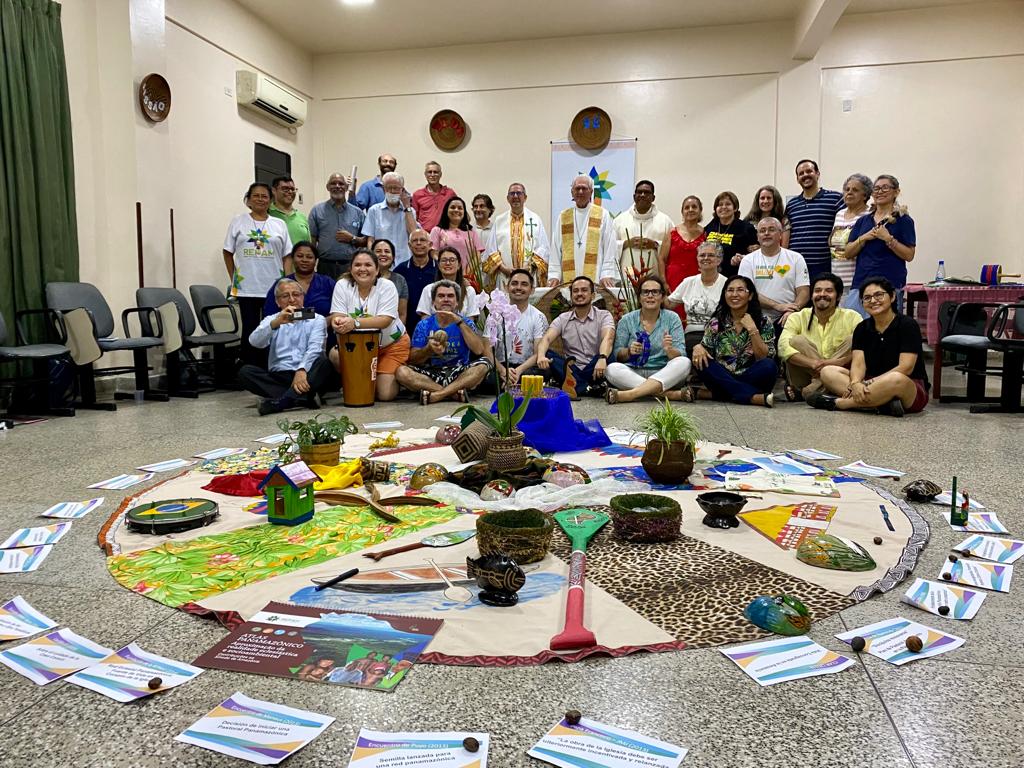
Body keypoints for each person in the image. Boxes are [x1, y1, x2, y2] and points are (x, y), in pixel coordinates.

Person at [808, 277, 929, 416]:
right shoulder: (862, 328)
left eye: (879, 295)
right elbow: (858, 364)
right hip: (867, 383)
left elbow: (905, 368)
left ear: (892, 296)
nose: (873, 300)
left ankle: (841, 403)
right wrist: (855, 383)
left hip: (907, 385)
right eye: (867, 298)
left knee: (896, 378)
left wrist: (867, 384)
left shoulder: (907, 325)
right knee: (827, 371)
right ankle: (882, 404)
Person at [238, 279, 334, 415]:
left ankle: (282, 402)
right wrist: (276, 323)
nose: (292, 300)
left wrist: (301, 370)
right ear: (277, 301)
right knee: (245, 372)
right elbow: (254, 342)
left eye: (296, 294)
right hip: (279, 375)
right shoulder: (271, 320)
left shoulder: (317, 319)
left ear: (303, 297)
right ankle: (304, 398)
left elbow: (315, 349)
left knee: (324, 362)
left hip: (307, 374)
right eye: (285, 296)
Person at [223, 182, 292, 368]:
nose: (260, 199)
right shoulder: (238, 221)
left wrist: (286, 282)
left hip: (273, 287)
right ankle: (250, 369)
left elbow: (287, 255)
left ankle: (272, 367)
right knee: (250, 329)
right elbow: (227, 252)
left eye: (265, 196)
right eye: (256, 196)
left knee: (273, 327)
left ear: (270, 200)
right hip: (247, 287)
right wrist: (234, 279)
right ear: (248, 199)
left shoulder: (279, 224)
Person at [328, 249, 410, 402]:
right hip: (358, 345)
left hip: (391, 345)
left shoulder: (387, 286)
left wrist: (354, 323)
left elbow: (385, 320)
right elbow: (337, 315)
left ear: (377, 269)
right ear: (351, 269)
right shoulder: (342, 285)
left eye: (368, 265)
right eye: (357, 265)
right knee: (334, 355)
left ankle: (387, 376)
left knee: (385, 395)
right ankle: (360, 381)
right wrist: (337, 322)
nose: (362, 269)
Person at [688, 275, 777, 407]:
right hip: (722, 375)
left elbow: (762, 357)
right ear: (724, 295)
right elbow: (706, 351)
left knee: (769, 365)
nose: (734, 294)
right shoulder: (716, 322)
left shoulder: (763, 321)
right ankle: (752, 397)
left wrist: (752, 329)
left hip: (751, 376)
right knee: (701, 361)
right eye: (730, 290)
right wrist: (698, 347)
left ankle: (714, 394)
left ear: (750, 295)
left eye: (740, 290)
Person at [396, 281, 490, 404]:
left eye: (450, 296)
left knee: (484, 365)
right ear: (433, 302)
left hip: (459, 373)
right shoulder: (424, 325)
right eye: (441, 296)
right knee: (401, 372)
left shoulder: (466, 323)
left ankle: (437, 395)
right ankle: (453, 394)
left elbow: (478, 350)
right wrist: (428, 349)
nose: (446, 299)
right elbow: (413, 359)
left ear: (457, 302)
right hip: (431, 375)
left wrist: (459, 322)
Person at [777, 272, 861, 401]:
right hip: (804, 377)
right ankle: (827, 388)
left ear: (838, 296)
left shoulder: (852, 317)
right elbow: (782, 348)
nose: (822, 294)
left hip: (839, 375)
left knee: (854, 340)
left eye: (829, 291)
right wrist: (814, 364)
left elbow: (865, 347)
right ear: (812, 296)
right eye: (817, 291)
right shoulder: (797, 317)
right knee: (797, 341)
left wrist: (838, 362)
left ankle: (808, 392)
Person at [606, 276, 690, 403]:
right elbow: (617, 354)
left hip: (664, 372)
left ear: (662, 297)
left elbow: (681, 353)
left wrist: (670, 350)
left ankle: (631, 394)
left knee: (684, 362)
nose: (650, 296)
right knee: (611, 369)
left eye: (655, 292)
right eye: (645, 292)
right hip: (634, 372)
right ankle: (667, 394)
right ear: (639, 297)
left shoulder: (672, 318)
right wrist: (629, 351)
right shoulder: (627, 320)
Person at [842, 174, 916, 316]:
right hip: (861, 284)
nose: (879, 192)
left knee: (886, 327)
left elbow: (909, 255)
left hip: (889, 285)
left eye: (885, 188)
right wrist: (864, 238)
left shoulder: (904, 220)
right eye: (876, 189)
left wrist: (889, 239)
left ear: (896, 192)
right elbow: (848, 252)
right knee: (854, 325)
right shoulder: (863, 221)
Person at [536, 276, 614, 396]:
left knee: (609, 355)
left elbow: (608, 338)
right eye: (575, 291)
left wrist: (602, 358)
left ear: (593, 295)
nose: (579, 294)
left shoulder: (604, 315)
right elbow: (546, 339)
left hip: (596, 366)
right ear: (571, 295)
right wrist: (541, 356)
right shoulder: (563, 318)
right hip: (571, 369)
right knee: (548, 354)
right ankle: (589, 388)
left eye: (584, 290)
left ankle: (575, 387)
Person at [738, 217, 810, 330]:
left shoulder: (796, 258)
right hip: (756, 318)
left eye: (771, 229)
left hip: (788, 317)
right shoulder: (748, 260)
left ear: (780, 234)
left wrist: (792, 310)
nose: (766, 233)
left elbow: (804, 291)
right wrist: (777, 306)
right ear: (757, 236)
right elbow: (747, 292)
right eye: (762, 231)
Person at [548, 175, 618, 288]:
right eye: (577, 188)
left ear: (591, 192)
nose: (580, 192)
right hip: (568, 279)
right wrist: (554, 275)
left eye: (584, 188)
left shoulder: (602, 214)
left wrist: (607, 274)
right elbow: (555, 247)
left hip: (596, 278)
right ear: (572, 192)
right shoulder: (564, 216)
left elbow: (610, 246)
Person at [486, 269, 549, 389]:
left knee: (542, 372)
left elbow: (538, 353)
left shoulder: (538, 317)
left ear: (532, 290)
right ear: (506, 287)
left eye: (524, 284)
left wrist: (518, 371)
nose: (518, 287)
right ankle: (514, 384)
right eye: (514, 283)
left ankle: (508, 384)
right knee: (484, 373)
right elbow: (486, 349)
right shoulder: (495, 314)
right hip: (500, 366)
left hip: (526, 367)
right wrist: (503, 371)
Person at [784, 159, 844, 279]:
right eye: (801, 173)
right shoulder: (791, 205)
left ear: (817, 173)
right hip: (796, 265)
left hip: (824, 265)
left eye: (809, 171)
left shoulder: (835, 198)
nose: (805, 175)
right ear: (797, 179)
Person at [666, 240, 727, 355]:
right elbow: (668, 304)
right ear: (697, 259)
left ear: (719, 260)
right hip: (691, 335)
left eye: (711, 255)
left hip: (718, 335)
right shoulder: (689, 282)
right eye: (702, 255)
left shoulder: (727, 284)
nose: (706, 258)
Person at [484, 182, 549, 290]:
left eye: (519, 193)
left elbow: (543, 248)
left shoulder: (535, 219)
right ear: (507, 198)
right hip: (505, 277)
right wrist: (504, 268)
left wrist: (529, 267)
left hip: (529, 275)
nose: (515, 196)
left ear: (525, 197)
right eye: (512, 193)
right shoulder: (499, 221)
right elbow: (491, 249)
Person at [307, 172, 368, 279]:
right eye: (333, 183)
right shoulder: (317, 211)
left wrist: (352, 238)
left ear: (346, 187)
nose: (337, 186)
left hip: (350, 266)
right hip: (325, 266)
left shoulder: (358, 213)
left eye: (341, 183)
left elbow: (366, 241)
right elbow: (312, 241)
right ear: (327, 187)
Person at [659, 195, 706, 323]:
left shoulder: (705, 233)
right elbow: (662, 258)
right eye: (687, 207)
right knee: (673, 314)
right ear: (682, 211)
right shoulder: (672, 232)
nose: (690, 210)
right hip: (673, 280)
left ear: (700, 210)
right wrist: (663, 282)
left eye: (694, 207)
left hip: (696, 280)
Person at [613, 180, 674, 277]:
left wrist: (655, 245)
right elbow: (610, 247)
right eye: (639, 192)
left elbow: (674, 248)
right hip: (627, 275)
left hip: (655, 276)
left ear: (653, 198)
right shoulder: (619, 220)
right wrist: (626, 243)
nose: (642, 195)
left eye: (647, 192)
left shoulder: (665, 221)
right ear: (634, 196)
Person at [262, 241, 336, 319]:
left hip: (323, 326)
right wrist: (306, 316)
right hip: (285, 326)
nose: (304, 260)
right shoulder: (281, 284)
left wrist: (321, 323)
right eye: (300, 256)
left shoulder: (328, 283)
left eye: (309, 257)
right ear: (293, 259)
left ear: (316, 260)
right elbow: (269, 315)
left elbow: (338, 313)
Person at [362, 172, 420, 266]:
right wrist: (372, 261)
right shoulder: (374, 210)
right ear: (383, 189)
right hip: (381, 262)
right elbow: (370, 240)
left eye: (396, 188)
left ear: (402, 190)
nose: (392, 191)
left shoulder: (409, 211)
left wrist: (407, 206)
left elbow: (413, 234)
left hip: (404, 262)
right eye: (389, 188)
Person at [829, 174, 873, 291]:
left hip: (859, 280)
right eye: (847, 189)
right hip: (837, 278)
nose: (849, 192)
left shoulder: (870, 215)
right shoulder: (839, 214)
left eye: (855, 190)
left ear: (865, 195)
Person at [704, 191, 757, 278]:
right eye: (720, 205)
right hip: (712, 275)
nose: (723, 207)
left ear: (735, 208)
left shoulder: (746, 228)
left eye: (728, 204)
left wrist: (743, 258)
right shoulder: (711, 226)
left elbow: (755, 254)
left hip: (735, 275)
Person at [416, 247, 479, 319]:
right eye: (444, 260)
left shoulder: (469, 291)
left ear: (459, 265)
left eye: (452, 260)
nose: (448, 263)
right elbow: (425, 320)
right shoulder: (428, 289)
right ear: (438, 265)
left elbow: (471, 321)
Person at [393, 229, 436, 335]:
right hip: (407, 326)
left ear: (430, 245)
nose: (418, 243)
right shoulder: (400, 270)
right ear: (409, 245)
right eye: (415, 240)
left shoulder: (439, 269)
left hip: (435, 326)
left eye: (422, 240)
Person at [429, 196, 485, 273]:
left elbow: (477, 255)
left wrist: (465, 273)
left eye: (460, 208)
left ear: (464, 212)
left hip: (467, 275)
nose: (456, 210)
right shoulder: (437, 230)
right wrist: (446, 268)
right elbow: (433, 253)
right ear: (446, 210)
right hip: (444, 274)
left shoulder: (471, 231)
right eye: (452, 207)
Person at [411, 161, 456, 232]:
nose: (432, 175)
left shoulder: (449, 193)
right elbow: (413, 219)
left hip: (445, 234)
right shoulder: (417, 195)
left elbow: (460, 214)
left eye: (435, 172)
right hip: (425, 235)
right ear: (425, 174)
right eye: (430, 172)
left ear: (440, 174)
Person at [372, 239, 408, 325]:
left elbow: (402, 314)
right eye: (378, 251)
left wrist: (398, 332)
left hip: (393, 328)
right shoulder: (364, 278)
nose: (383, 254)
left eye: (387, 251)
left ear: (393, 257)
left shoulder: (400, 280)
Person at [269, 176, 310, 246]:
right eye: (285, 189)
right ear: (274, 190)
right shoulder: (267, 214)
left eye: (292, 189)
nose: (290, 192)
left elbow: (308, 245)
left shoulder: (302, 217)